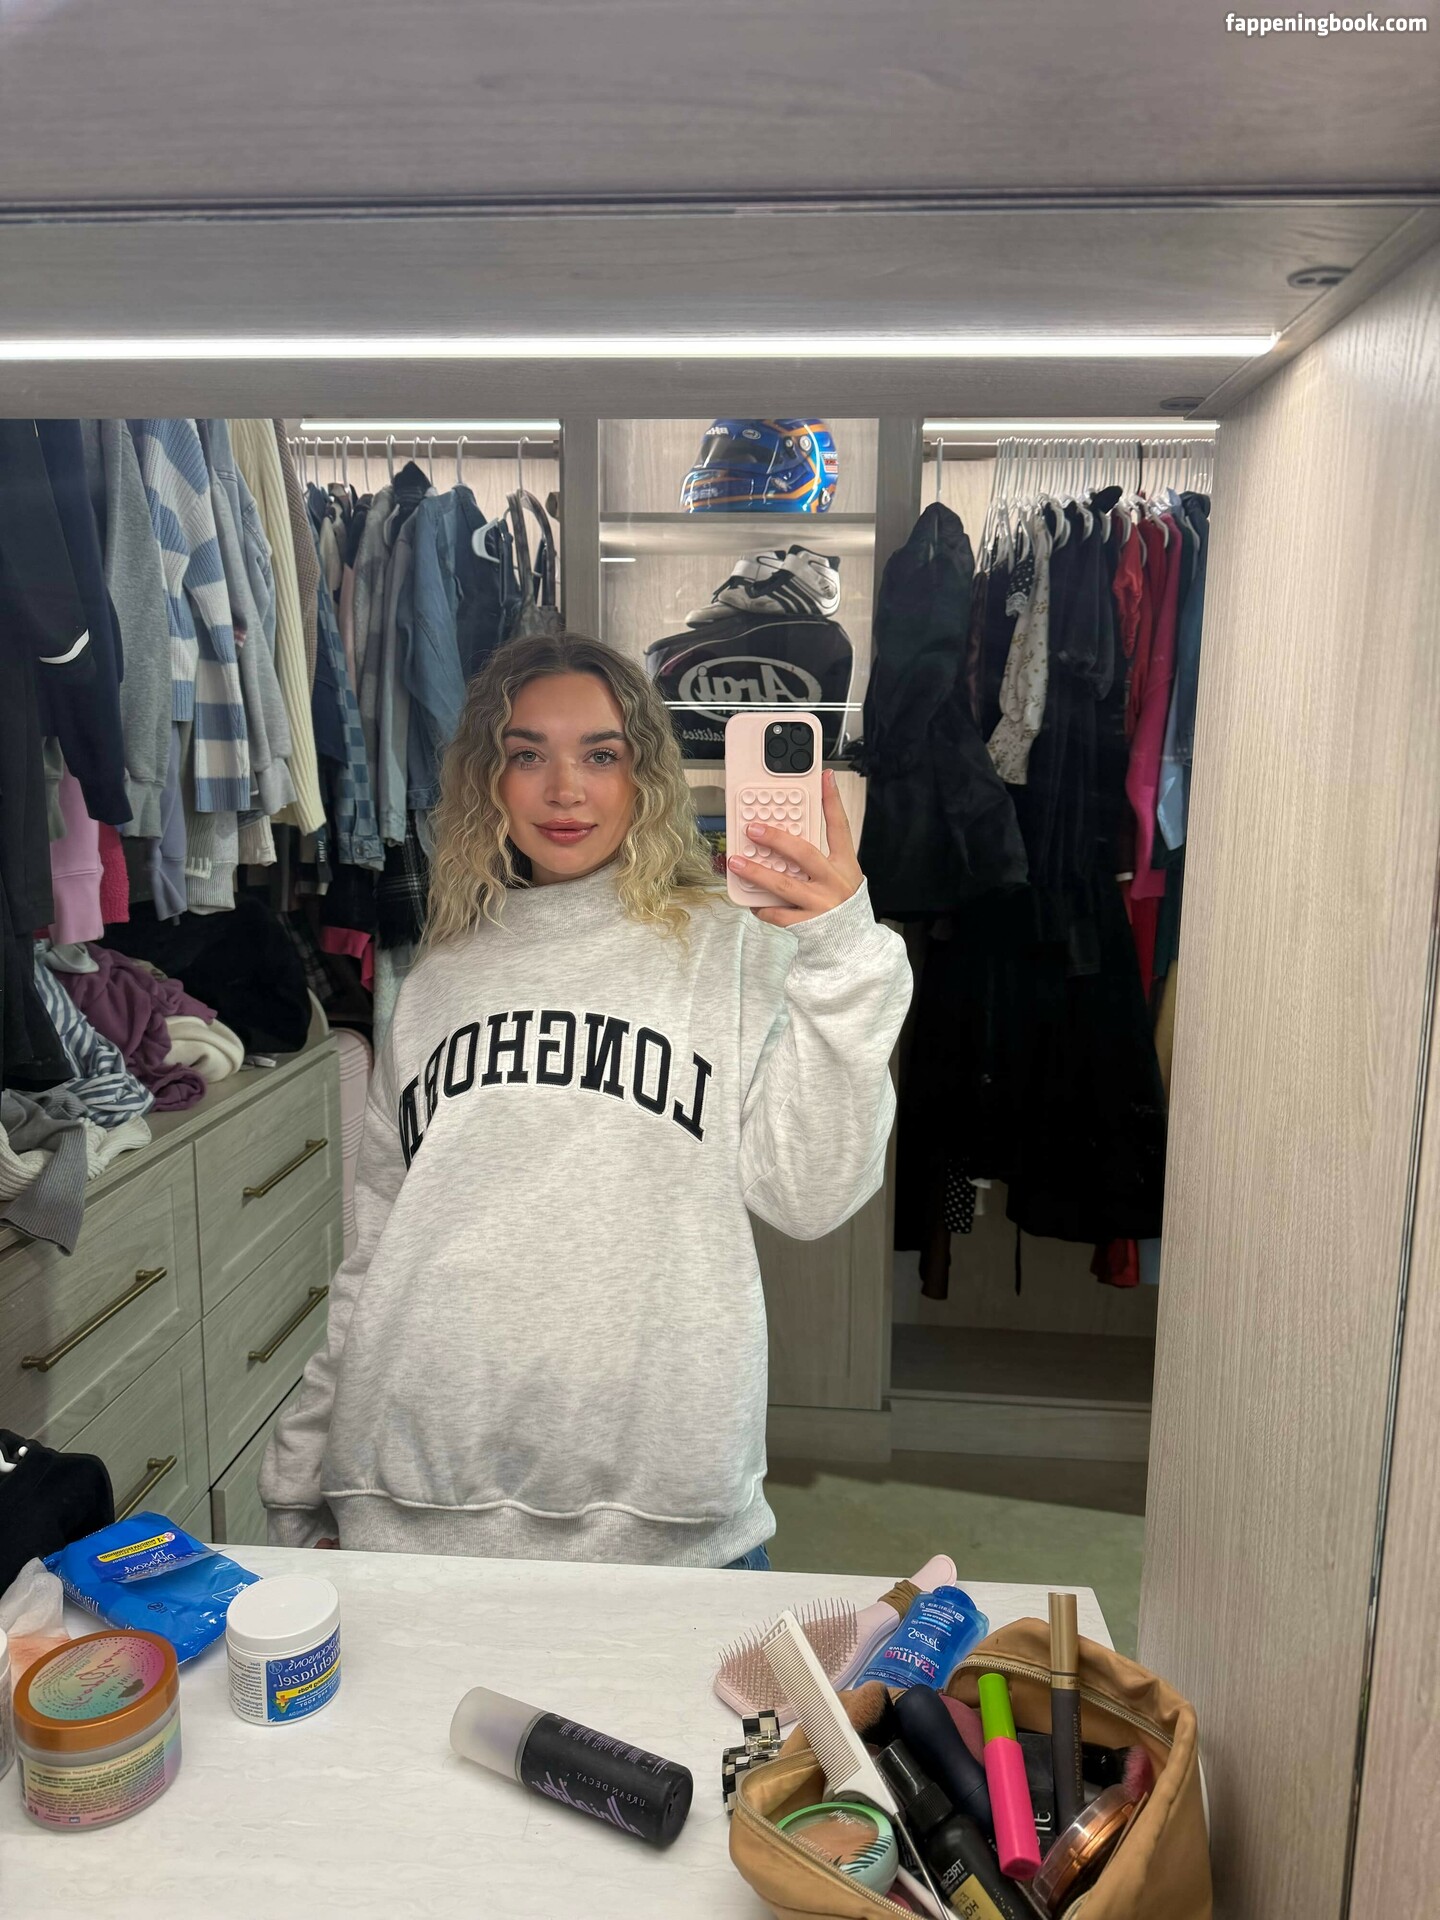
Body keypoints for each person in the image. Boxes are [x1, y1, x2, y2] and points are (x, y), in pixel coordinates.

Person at [260, 631, 912, 1568]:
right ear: (489, 777)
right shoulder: (440, 973)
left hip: (663, 1507)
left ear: (645, 774)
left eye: (600, 755)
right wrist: (301, 1462)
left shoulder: (735, 948)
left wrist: (843, 954)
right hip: (406, 1489)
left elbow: (810, 1196)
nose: (565, 790)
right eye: (528, 755)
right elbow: (381, 1244)